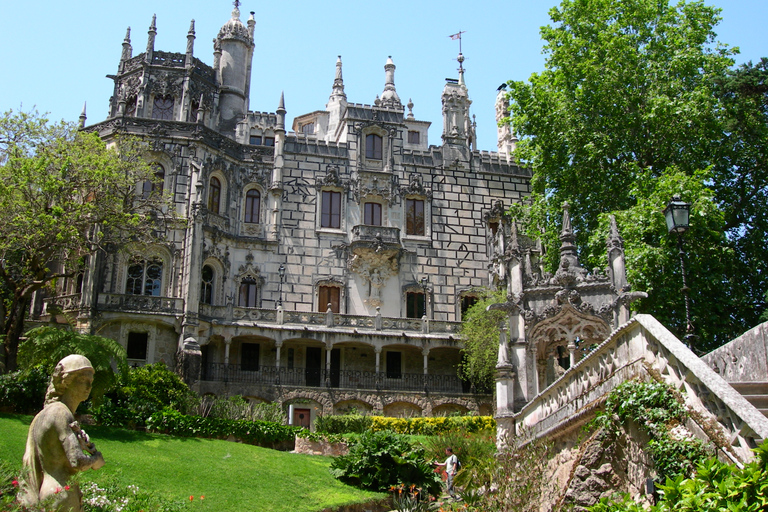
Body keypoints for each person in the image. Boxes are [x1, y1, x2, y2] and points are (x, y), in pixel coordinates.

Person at [18, 355, 105, 511]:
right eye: (83, 380)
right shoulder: (61, 413)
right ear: (67, 381)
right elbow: (76, 461)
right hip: (61, 492)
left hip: (54, 490)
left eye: (90, 382)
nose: (88, 386)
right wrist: (96, 459)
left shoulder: (48, 413)